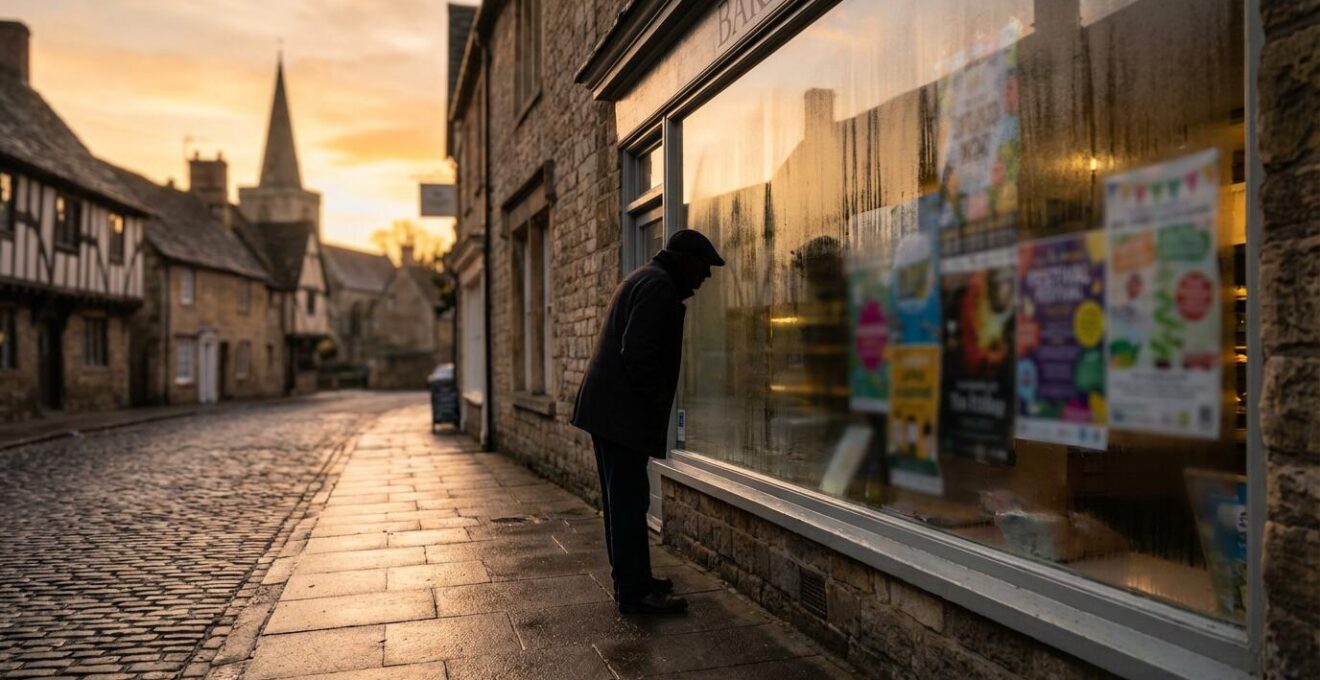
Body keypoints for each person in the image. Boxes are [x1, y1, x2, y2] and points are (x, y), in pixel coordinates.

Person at [571, 229, 724, 615]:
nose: (705, 277)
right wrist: (656, 401)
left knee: (621, 502)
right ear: (687, 260)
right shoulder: (658, 287)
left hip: (608, 411)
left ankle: (633, 579)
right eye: (704, 268)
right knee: (628, 503)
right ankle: (635, 594)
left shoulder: (643, 277)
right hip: (621, 416)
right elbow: (637, 351)